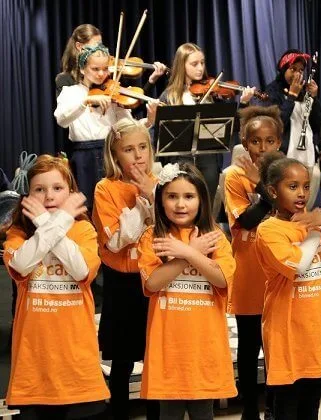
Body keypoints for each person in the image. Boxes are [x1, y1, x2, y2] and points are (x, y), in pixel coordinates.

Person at [3, 154, 109, 419]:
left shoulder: (84, 231)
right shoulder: (17, 233)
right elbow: (21, 266)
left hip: (77, 364)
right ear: (28, 197)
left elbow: (81, 269)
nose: (48, 196)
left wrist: (50, 224)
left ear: (71, 192)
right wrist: (52, 223)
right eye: (39, 189)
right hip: (34, 364)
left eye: (57, 188)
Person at [255, 153, 321, 419]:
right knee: (287, 404)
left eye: (307, 186)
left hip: (316, 330)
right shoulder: (269, 230)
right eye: (293, 186)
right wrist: (313, 233)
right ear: (273, 191)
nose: (302, 193)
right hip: (287, 331)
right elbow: (297, 266)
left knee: (311, 403)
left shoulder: (312, 223)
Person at [138, 162, 237, 419]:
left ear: (201, 200)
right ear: (160, 200)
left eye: (189, 196)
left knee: (203, 413)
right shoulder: (152, 236)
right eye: (172, 196)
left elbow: (222, 280)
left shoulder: (214, 236)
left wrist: (187, 251)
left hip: (204, 350)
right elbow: (152, 283)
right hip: (168, 351)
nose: (181, 204)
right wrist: (187, 255)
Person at [92, 118, 159, 419]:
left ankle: (158, 411)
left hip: (155, 279)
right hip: (122, 281)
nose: (138, 156)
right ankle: (118, 411)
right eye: (129, 149)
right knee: (122, 359)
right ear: (115, 154)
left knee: (155, 354)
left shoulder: (162, 180)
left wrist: (153, 194)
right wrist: (142, 203)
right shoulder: (105, 189)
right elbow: (117, 241)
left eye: (142, 147)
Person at [224, 106, 282, 419]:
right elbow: (246, 220)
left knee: (276, 346)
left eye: (269, 141)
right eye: (256, 141)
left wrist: (261, 184)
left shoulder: (287, 172)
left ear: (279, 143)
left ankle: (274, 407)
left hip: (277, 271)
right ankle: (249, 409)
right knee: (249, 345)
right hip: (248, 270)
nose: (263, 148)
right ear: (245, 143)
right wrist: (261, 187)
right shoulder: (234, 176)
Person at [54, 43, 157, 212]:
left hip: (111, 154)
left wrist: (149, 121)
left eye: (105, 69)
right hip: (84, 157)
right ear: (82, 69)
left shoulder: (113, 92)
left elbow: (128, 128)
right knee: (88, 206)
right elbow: (61, 119)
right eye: (95, 69)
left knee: (114, 204)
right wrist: (85, 101)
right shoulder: (70, 92)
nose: (102, 74)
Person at [158, 42, 255, 204]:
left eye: (202, 63)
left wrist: (244, 103)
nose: (200, 68)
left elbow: (232, 127)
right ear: (182, 66)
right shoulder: (169, 96)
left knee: (207, 206)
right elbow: (161, 134)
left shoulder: (213, 95)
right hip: (181, 160)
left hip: (209, 158)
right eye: (194, 64)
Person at [264, 49, 321, 209]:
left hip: (306, 154)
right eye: (293, 69)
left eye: (301, 70)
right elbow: (276, 125)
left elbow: (318, 125)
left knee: (304, 196)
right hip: (284, 155)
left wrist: (315, 98)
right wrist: (291, 97)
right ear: (283, 69)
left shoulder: (306, 91)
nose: (297, 74)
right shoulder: (272, 91)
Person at [56, 24, 167, 97]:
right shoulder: (64, 80)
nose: (100, 50)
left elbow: (133, 106)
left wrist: (151, 81)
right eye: (95, 46)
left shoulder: (108, 77)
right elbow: (66, 118)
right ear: (79, 46)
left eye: (101, 45)